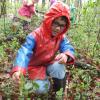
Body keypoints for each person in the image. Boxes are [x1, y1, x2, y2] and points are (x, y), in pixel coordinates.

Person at [11, 1, 75, 96]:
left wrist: (66, 55)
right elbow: (24, 51)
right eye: (55, 23)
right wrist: (19, 69)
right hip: (35, 67)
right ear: (49, 20)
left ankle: (58, 91)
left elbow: (67, 46)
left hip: (49, 63)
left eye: (62, 25)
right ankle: (46, 84)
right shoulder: (35, 35)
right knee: (40, 89)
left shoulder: (61, 36)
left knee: (59, 66)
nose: (58, 28)